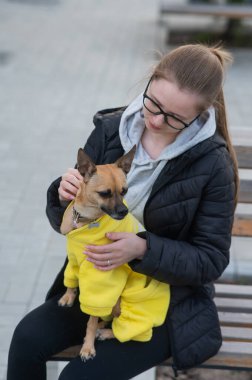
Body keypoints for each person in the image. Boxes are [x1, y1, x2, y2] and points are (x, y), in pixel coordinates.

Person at [7, 43, 238, 380]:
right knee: (26, 339)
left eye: (175, 118)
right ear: (149, 81)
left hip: (162, 303)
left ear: (201, 114)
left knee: (78, 378)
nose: (156, 120)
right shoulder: (110, 129)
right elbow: (72, 220)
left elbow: (211, 260)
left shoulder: (213, 164)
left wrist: (144, 249)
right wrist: (63, 195)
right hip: (97, 283)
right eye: (153, 104)